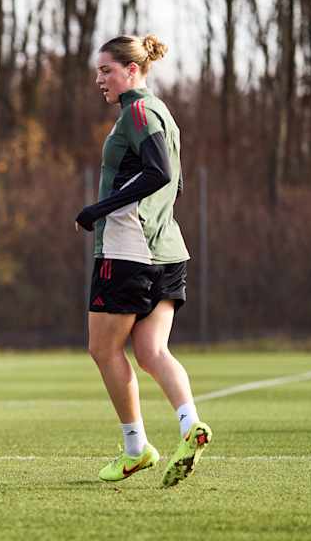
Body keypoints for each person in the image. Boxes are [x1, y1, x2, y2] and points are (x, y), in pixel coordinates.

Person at [75, 34, 212, 487]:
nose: (100, 79)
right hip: (168, 249)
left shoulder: (135, 111)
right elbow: (177, 183)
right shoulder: (163, 114)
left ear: (132, 71)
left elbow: (160, 172)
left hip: (128, 252)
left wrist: (99, 208)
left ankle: (136, 448)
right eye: (99, 71)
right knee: (152, 351)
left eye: (107, 70)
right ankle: (190, 422)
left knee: (103, 348)